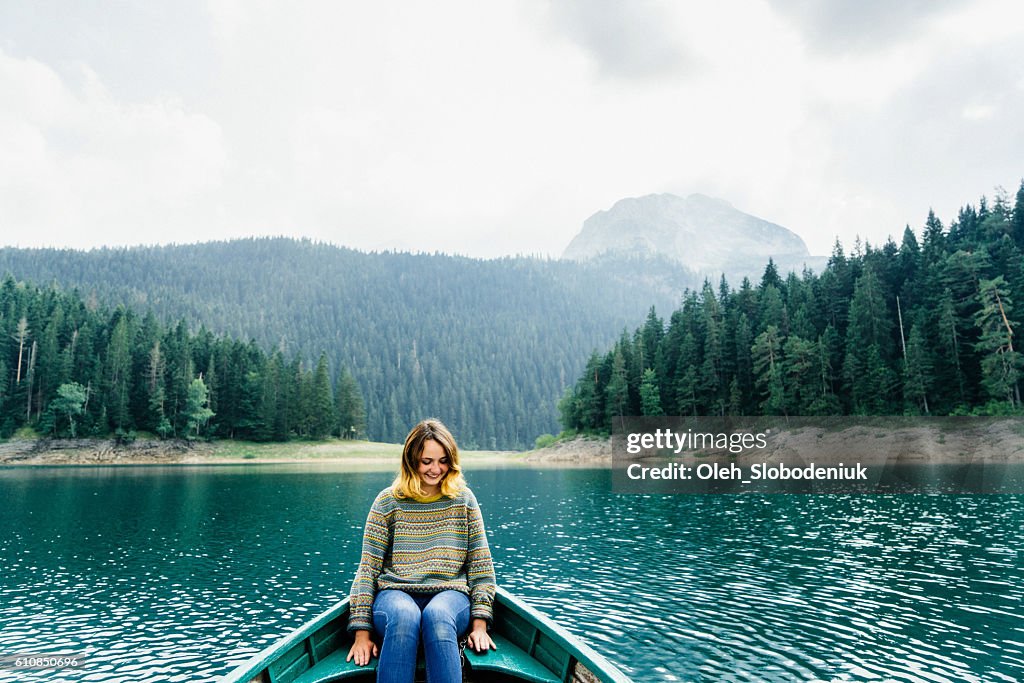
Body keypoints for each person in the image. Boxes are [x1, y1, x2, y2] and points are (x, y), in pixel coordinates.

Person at [345, 418, 497, 683]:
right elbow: (367, 569)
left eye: (443, 461)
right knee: (405, 617)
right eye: (427, 461)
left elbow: (481, 566)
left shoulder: (464, 500)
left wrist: (480, 624)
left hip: (451, 595)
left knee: (437, 616)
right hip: (394, 595)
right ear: (411, 460)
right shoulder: (387, 502)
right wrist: (361, 633)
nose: (435, 469)